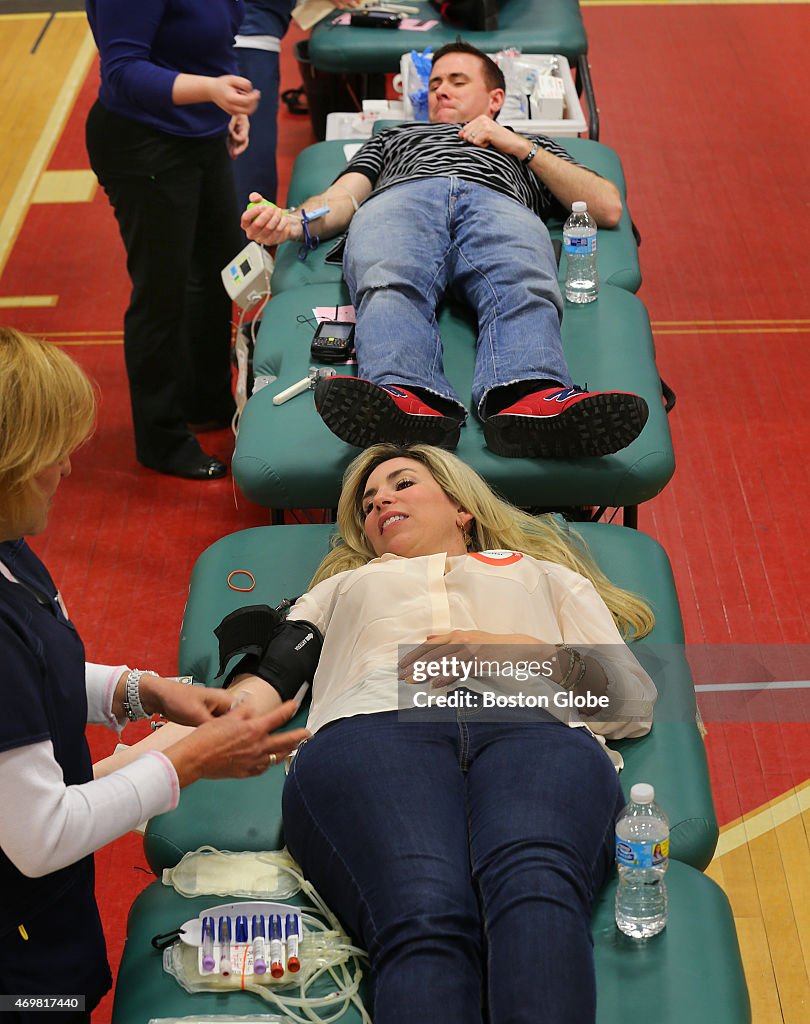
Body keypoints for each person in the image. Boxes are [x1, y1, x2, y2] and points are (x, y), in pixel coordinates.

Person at [205, 441, 658, 1022]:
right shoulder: (341, 589)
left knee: (535, 896)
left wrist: (502, 650)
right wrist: (169, 742)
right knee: (423, 912)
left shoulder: (544, 576)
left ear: (461, 509)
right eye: (368, 503)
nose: (380, 502)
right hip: (374, 728)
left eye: (401, 484)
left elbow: (629, 700)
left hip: (533, 728)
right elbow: (268, 686)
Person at [0, 328, 310, 1020]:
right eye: (54, 457)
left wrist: (139, 691)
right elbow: (41, 834)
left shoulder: (10, 548)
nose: (68, 473)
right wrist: (188, 763)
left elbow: (38, 668)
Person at [242, 40, 649, 460]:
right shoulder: (396, 137)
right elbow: (342, 199)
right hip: (403, 200)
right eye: (435, 82)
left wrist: (515, 145)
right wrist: (295, 221)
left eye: (457, 81)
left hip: (499, 202)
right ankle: (408, 399)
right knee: (388, 282)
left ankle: (529, 399)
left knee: (524, 285)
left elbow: (606, 205)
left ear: (495, 99)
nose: (440, 90)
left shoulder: (529, 145)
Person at [84, 1, 259, 480]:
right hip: (145, 143)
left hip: (200, 131)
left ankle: (204, 399)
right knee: (162, 292)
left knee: (218, 274)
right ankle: (160, 437)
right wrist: (211, 91)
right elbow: (123, 73)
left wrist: (228, 104)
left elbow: (213, 41)